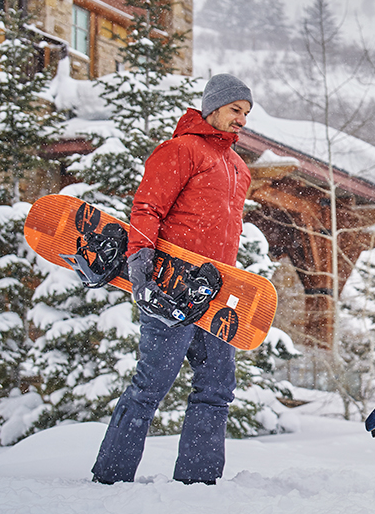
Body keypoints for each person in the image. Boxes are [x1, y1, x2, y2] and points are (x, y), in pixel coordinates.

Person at [91, 74, 254, 485]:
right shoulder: (180, 150)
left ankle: (198, 483)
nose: (242, 120)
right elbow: (147, 207)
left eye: (247, 113)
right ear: (213, 106)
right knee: (152, 384)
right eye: (236, 110)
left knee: (216, 388)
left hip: (217, 292)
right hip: (171, 284)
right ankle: (111, 476)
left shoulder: (238, 168)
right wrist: (141, 260)